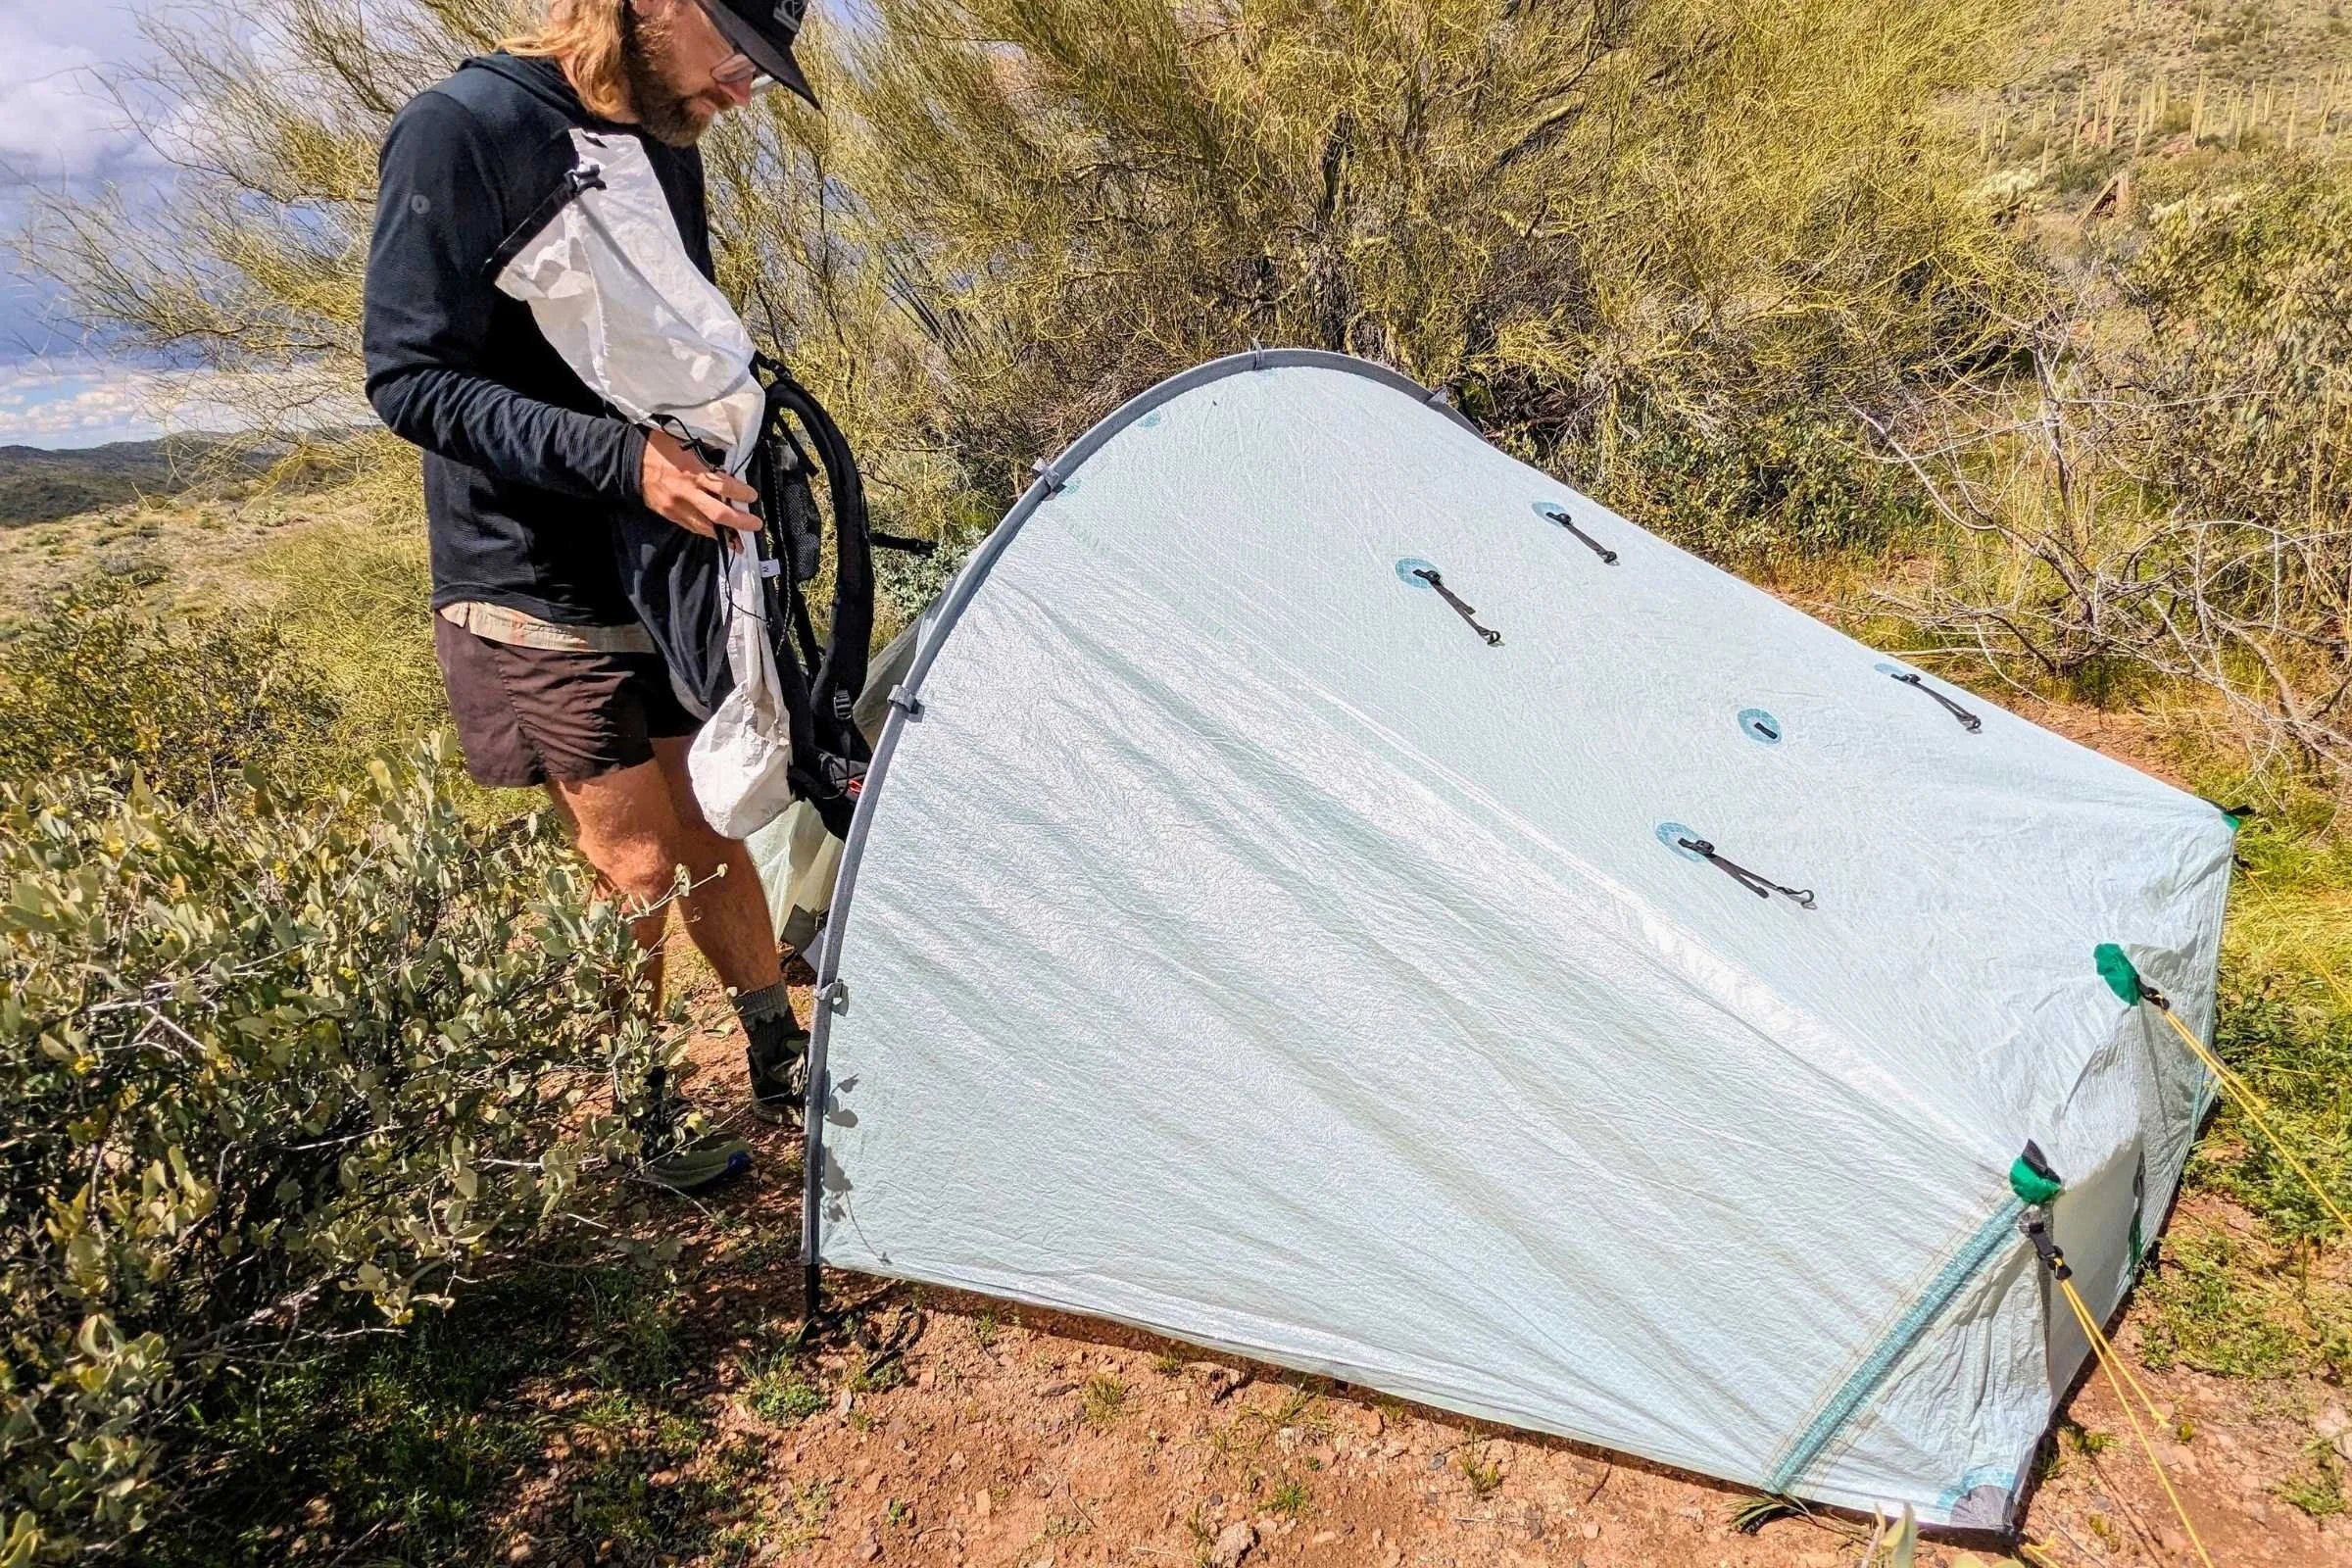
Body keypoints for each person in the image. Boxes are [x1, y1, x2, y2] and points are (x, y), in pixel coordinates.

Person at [362, 0, 823, 1183]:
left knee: (715, 815)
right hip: (530, 574)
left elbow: (669, 349)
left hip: (665, 557)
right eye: (738, 56)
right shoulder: (460, 130)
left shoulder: (660, 136)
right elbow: (409, 377)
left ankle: (782, 1057)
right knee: (634, 867)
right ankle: (639, 1106)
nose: (743, 92)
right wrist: (623, 463)